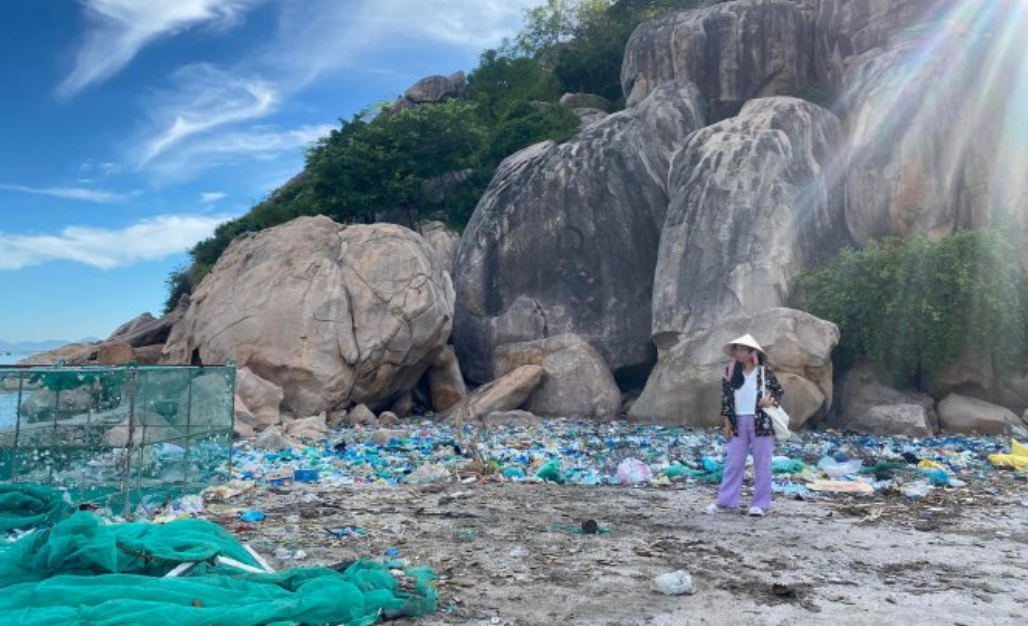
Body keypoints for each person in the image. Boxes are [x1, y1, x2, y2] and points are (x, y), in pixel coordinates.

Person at [705, 334, 784, 517]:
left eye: (742, 349)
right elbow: (725, 400)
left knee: (762, 465)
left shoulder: (764, 371)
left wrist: (770, 401)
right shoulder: (730, 371)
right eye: (736, 349)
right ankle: (726, 502)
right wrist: (726, 424)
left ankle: (760, 505)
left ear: (752, 352)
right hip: (737, 422)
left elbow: (779, 392)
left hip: (761, 423)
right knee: (733, 463)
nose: (738, 353)